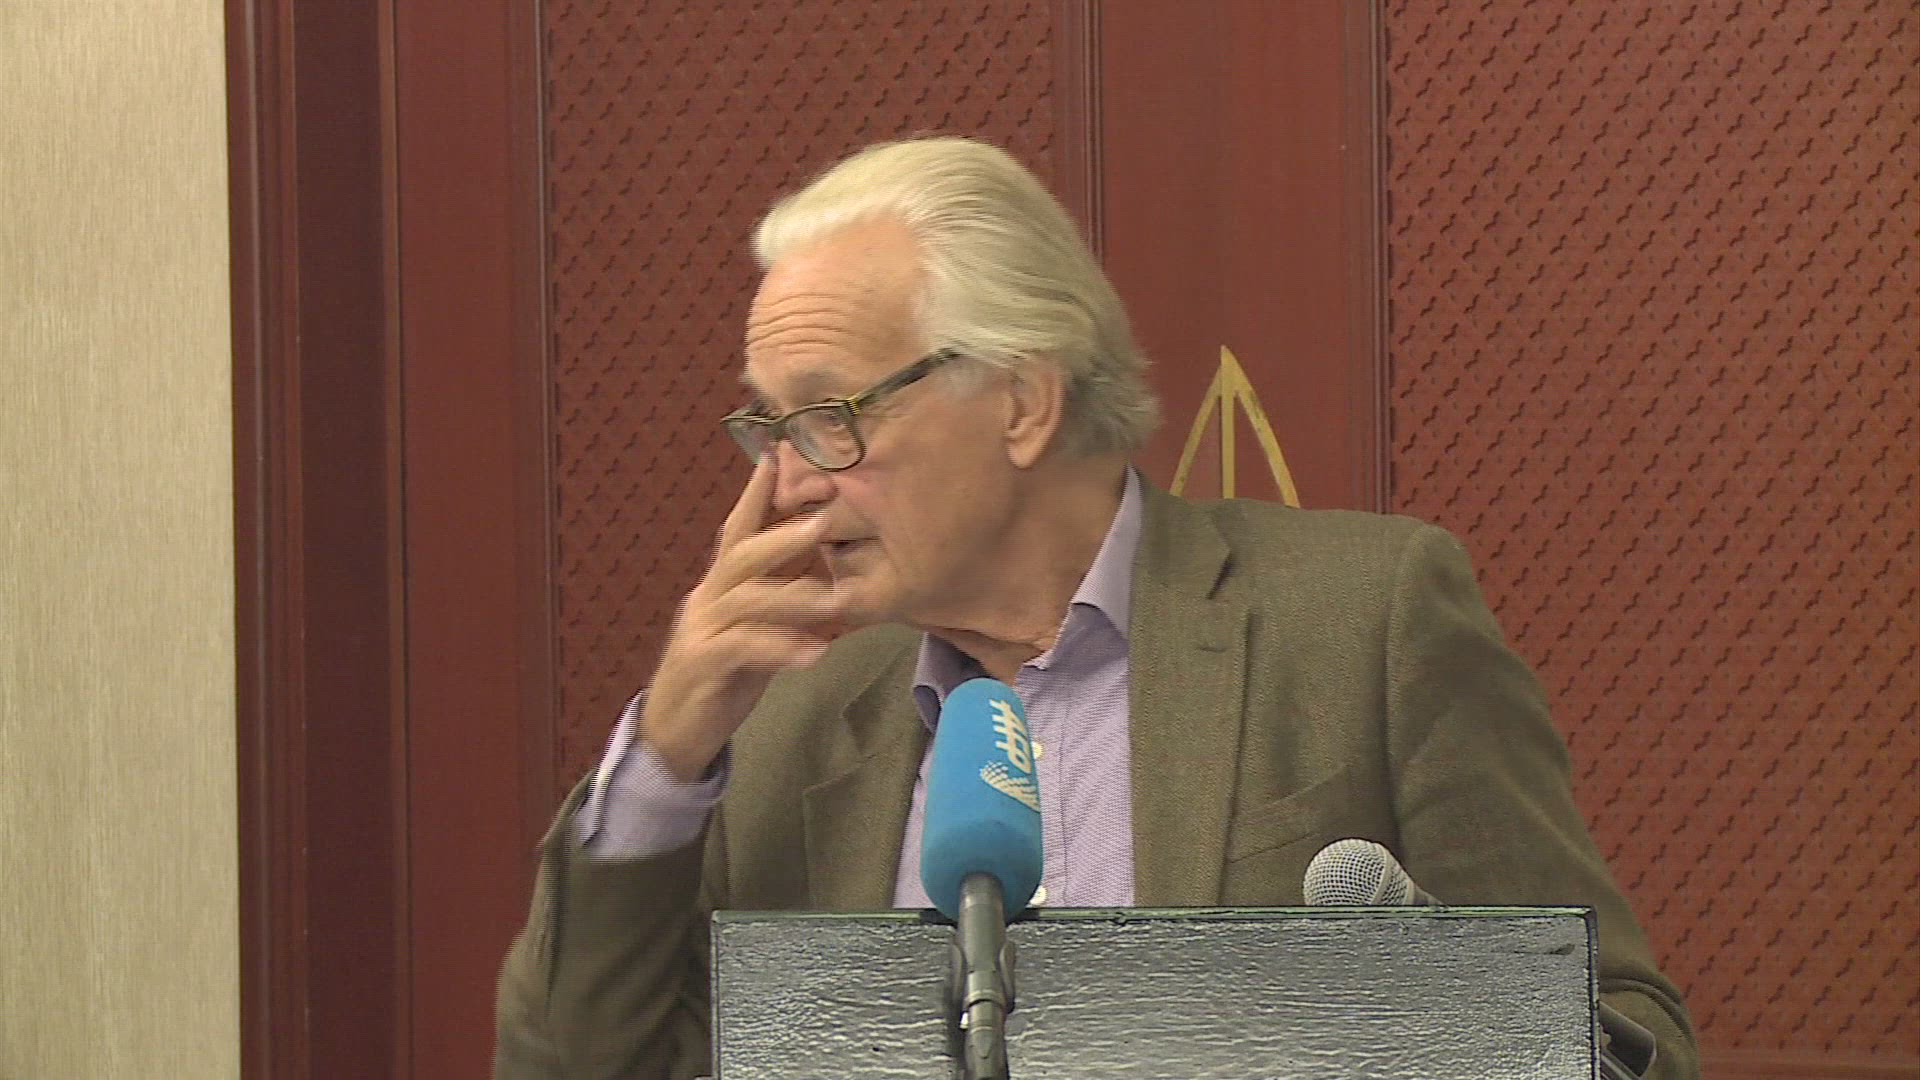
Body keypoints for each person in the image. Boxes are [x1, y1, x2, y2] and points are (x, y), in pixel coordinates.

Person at [493, 136, 1699, 1080]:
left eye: (830, 414)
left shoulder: (1362, 622)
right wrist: (665, 759)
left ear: (1022, 403)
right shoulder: (790, 722)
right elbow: (570, 1066)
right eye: (769, 426)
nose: (788, 482)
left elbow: (1619, 1035)